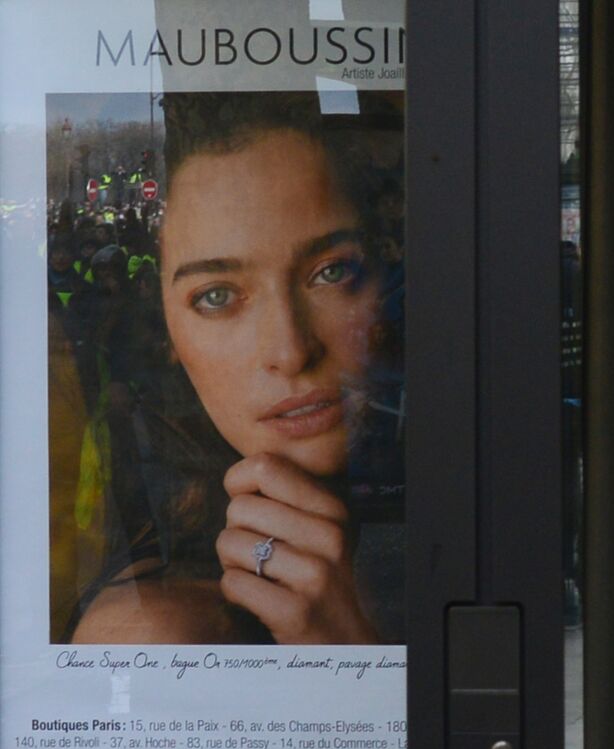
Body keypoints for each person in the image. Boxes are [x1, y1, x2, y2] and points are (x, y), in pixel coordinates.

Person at [68, 91, 404, 645]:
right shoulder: (156, 631)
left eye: (331, 272)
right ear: (168, 332)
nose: (292, 351)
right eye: (217, 296)